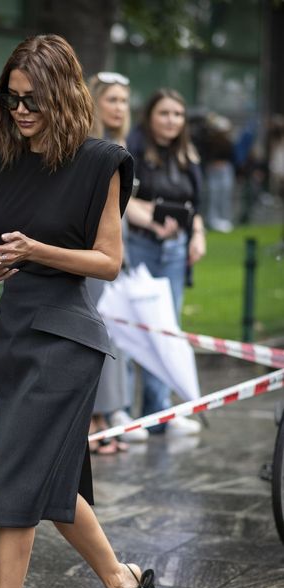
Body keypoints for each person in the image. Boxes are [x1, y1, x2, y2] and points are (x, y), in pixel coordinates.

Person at [0, 35, 161, 588]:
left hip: (67, 338)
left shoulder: (102, 161)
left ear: (63, 94)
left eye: (32, 100)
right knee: (51, 485)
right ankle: (125, 585)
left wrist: (38, 249)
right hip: (13, 335)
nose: (20, 111)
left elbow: (107, 260)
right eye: (11, 99)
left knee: (16, 478)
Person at [126, 88, 206, 435]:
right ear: (150, 116)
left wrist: (197, 235)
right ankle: (124, 414)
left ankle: (159, 412)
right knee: (132, 328)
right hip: (140, 245)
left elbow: (196, 206)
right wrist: (153, 220)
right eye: (164, 113)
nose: (172, 120)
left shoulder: (187, 154)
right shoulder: (134, 149)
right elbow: (120, 200)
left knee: (166, 331)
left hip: (176, 250)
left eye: (177, 114)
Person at [87, 71, 148, 450]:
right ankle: (93, 422)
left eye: (124, 101)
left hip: (117, 254)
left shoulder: (120, 144)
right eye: (111, 99)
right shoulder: (90, 146)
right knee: (97, 335)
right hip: (93, 252)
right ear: (94, 102)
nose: (119, 107)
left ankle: (105, 417)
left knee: (114, 339)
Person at [202, 112, 235, 232]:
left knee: (225, 195)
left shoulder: (228, 141)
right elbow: (206, 154)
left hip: (225, 169)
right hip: (212, 170)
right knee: (213, 196)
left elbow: (232, 155)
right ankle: (212, 220)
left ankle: (225, 220)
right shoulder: (209, 140)